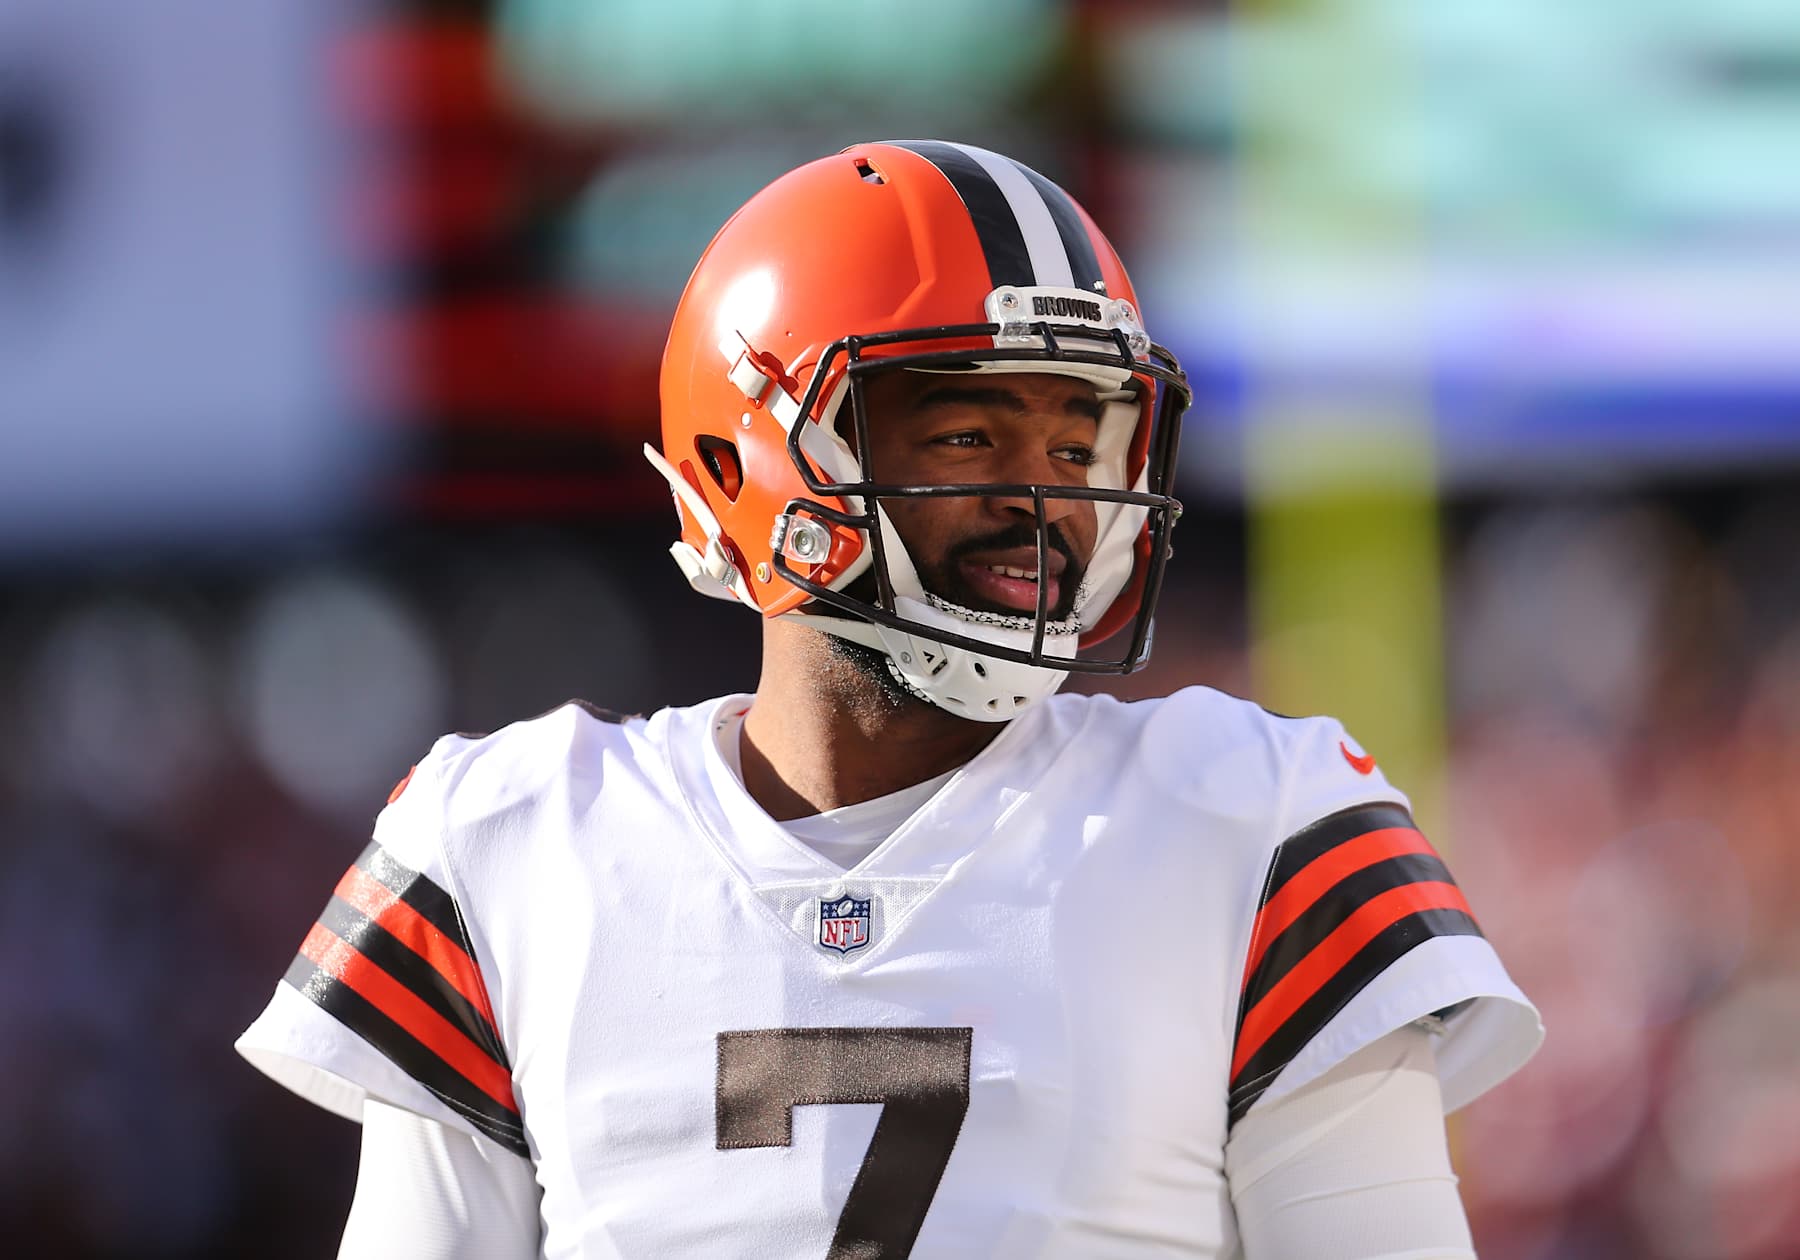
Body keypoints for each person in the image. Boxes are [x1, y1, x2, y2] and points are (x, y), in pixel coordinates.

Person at [237, 140, 1542, 1259]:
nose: (1049, 501)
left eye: (1079, 444)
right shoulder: (506, 841)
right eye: (969, 435)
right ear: (743, 465)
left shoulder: (1257, 821)